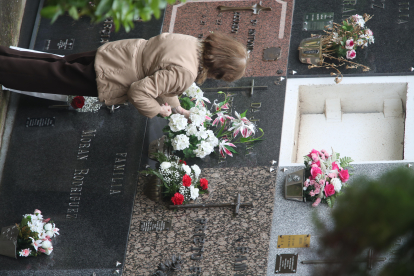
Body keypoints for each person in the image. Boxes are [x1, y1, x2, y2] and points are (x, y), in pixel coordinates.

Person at [0, 32, 248, 118]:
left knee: (56, 64)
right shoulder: (188, 73)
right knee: (46, 76)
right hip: (113, 76)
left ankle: (5, 55)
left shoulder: (192, 44)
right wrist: (156, 110)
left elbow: (163, 78)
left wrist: (178, 108)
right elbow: (140, 91)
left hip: (117, 54)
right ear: (218, 69)